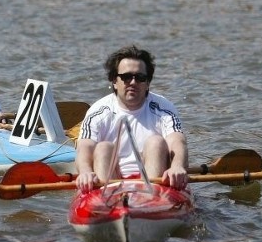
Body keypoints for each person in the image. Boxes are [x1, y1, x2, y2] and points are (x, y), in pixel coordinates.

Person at [75, 45, 189, 194]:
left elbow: (177, 141)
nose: (133, 82)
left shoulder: (164, 108)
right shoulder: (98, 111)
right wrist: (85, 172)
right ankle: (105, 199)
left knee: (156, 142)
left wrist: (177, 166)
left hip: (154, 180)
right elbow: (84, 147)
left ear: (147, 83)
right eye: (126, 77)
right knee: (103, 147)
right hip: (110, 180)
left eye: (140, 77)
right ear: (114, 81)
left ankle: (150, 198)